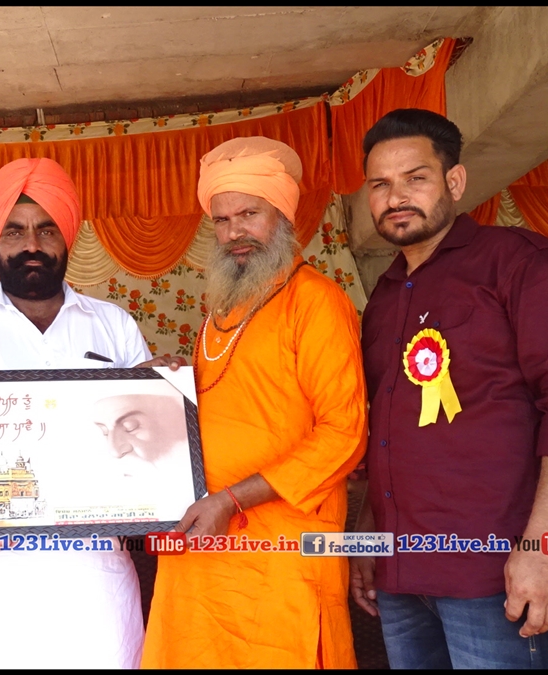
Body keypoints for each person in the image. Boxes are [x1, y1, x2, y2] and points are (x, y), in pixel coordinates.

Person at [349, 109, 548, 669]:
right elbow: (386, 429)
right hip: (401, 571)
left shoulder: (519, 262)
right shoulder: (384, 298)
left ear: (455, 181)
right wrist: (367, 539)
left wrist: (545, 548)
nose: (396, 197)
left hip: (496, 570)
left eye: (415, 178)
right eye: (380, 184)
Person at [0, 156, 182, 668]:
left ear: (67, 237)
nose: (31, 244)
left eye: (46, 229)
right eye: (15, 230)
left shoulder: (113, 326)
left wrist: (163, 394)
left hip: (91, 587)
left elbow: (150, 451)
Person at [141, 137, 368, 668]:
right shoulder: (219, 313)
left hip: (282, 552)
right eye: (222, 220)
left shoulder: (316, 301)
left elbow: (344, 434)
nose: (234, 232)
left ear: (282, 216)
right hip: (204, 548)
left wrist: (233, 500)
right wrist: (167, 387)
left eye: (249, 214)